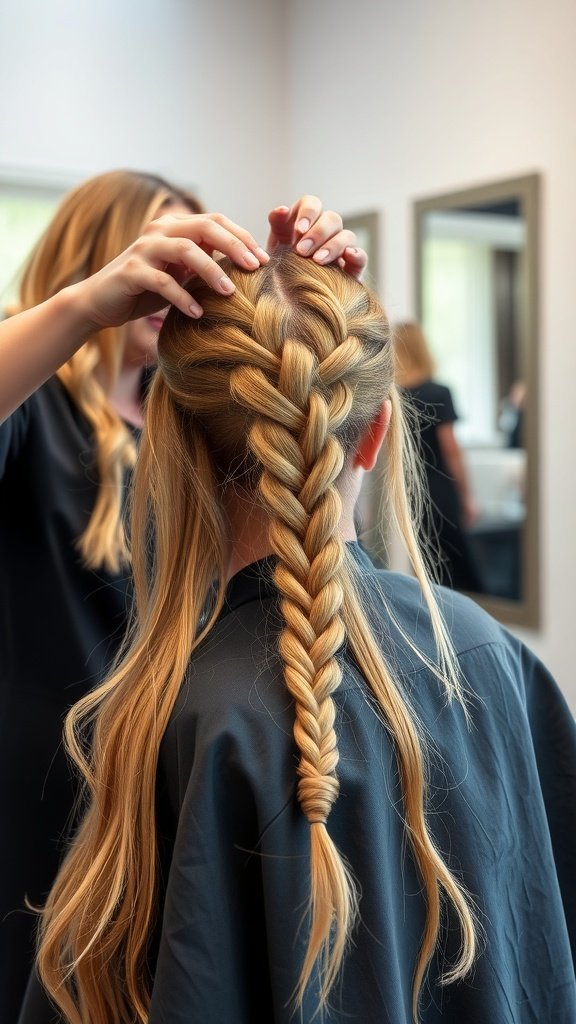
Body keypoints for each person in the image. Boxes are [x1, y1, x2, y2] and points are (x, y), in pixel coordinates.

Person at [23, 249, 575, 1024]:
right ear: (377, 432)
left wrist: (78, 307)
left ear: (172, 444)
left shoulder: (172, 714)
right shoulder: (486, 652)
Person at [0, 169, 365, 1023]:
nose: (175, 287)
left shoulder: (178, 417)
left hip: (182, 749)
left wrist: (285, 308)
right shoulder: (36, 409)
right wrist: (83, 307)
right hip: (54, 775)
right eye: (162, 260)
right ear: (107, 260)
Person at [393, 320, 484, 593]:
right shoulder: (439, 392)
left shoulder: (395, 395)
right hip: (441, 489)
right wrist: (467, 496)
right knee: (462, 567)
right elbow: (451, 452)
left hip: (411, 490)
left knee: (426, 565)